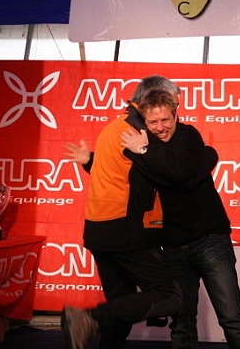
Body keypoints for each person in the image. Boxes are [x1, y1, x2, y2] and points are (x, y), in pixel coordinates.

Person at [120, 88, 240, 349]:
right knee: (181, 322)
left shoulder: (187, 135)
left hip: (210, 240)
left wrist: (146, 152)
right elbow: (148, 189)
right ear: (145, 122)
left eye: (165, 119)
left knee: (232, 318)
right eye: (153, 122)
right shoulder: (139, 147)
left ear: (175, 116)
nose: (160, 127)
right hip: (172, 246)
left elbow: (178, 173)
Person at [61, 76, 182, 349]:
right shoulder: (138, 131)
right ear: (153, 99)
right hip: (127, 229)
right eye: (172, 103)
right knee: (170, 294)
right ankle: (88, 318)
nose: (174, 110)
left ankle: (92, 324)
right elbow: (157, 177)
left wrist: (89, 161)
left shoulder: (115, 126)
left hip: (100, 230)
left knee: (122, 306)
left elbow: (117, 173)